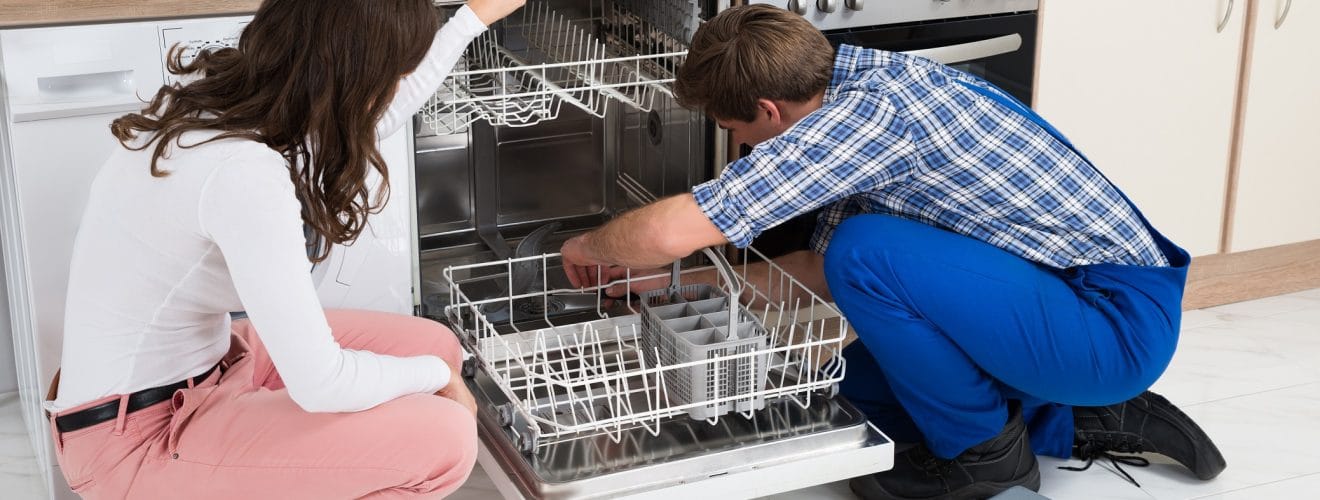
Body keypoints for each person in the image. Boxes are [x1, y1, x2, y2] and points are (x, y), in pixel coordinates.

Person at [560, 5, 1226, 499]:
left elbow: (680, 229)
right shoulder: (855, 91)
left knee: (866, 252)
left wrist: (593, 245)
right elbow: (814, 274)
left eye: (736, 131)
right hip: (1069, 311)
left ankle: (984, 457)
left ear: (769, 109)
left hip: (1109, 323)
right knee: (854, 387)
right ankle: (1068, 415)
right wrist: (686, 283)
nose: (740, 149)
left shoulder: (866, 121)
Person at [44, 0, 524, 497]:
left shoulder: (238, 108)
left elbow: (385, 113)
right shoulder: (242, 173)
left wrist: (472, 17)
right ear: (357, 78)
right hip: (136, 441)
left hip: (209, 371)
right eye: (392, 74)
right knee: (443, 438)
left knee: (435, 345)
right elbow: (322, 383)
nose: (396, 89)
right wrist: (434, 377)